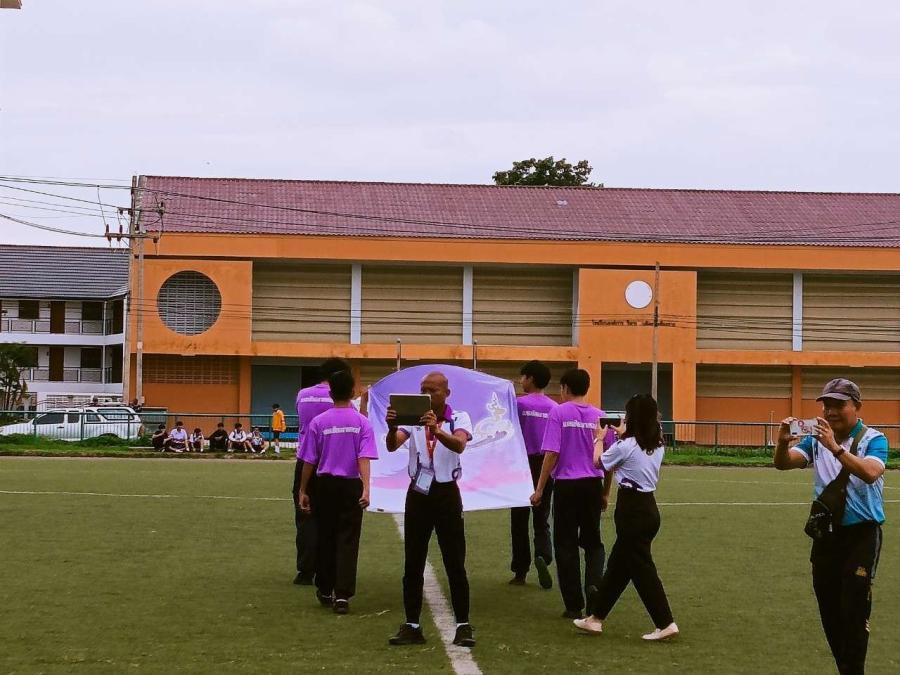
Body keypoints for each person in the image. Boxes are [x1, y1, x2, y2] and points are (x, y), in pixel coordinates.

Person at [774, 378, 887, 675]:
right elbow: (784, 463)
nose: (831, 411)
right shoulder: (816, 438)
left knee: (855, 609)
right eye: (827, 405)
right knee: (830, 611)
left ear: (857, 406)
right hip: (827, 536)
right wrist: (783, 442)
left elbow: (871, 472)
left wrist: (835, 448)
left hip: (862, 534)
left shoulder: (874, 439)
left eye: (839, 404)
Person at [574, 394, 678, 641]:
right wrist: (623, 435)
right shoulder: (657, 444)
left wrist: (599, 439)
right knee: (618, 568)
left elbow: (598, 462)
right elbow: (635, 449)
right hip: (648, 507)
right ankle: (596, 618)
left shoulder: (626, 445)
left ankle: (665, 622)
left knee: (642, 570)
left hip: (631, 510)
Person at [386, 371, 476, 648]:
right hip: (418, 493)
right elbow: (392, 446)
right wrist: (391, 427)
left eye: (432, 390)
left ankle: (463, 625)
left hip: (447, 493)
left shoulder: (458, 417)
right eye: (423, 389)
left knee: (454, 561)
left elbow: (459, 445)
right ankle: (412, 624)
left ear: (446, 393)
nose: (426, 394)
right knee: (413, 561)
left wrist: (437, 430)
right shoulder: (413, 419)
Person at [530, 368, 613, 619]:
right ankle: (594, 584)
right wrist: (606, 493)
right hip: (592, 485)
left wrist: (540, 489)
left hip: (567, 485)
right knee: (593, 542)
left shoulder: (558, 412)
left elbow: (551, 453)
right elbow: (609, 460)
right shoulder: (600, 416)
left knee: (566, 544)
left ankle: (573, 604)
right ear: (587, 388)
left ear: (565, 388)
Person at [298, 370, 378, 615]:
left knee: (326, 536)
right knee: (348, 540)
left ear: (331, 393)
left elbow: (309, 460)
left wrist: (303, 489)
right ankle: (342, 595)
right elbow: (364, 457)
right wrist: (366, 487)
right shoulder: (362, 423)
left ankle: (324, 588)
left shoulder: (319, 422)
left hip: (324, 485)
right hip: (351, 485)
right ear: (353, 392)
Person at [292, 358, 353, 586]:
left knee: (305, 516)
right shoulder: (341, 400)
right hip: (332, 462)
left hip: (304, 460)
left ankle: (305, 570)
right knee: (332, 518)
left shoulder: (302, 395)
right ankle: (329, 569)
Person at [509, 360, 558, 589]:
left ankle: (520, 571)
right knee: (542, 517)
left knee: (519, 520)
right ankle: (543, 555)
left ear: (530, 378)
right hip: (546, 465)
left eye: (523, 377)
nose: (521, 381)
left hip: (522, 464)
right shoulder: (554, 407)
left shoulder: (518, 404)